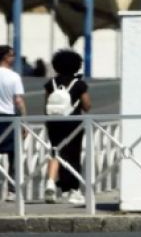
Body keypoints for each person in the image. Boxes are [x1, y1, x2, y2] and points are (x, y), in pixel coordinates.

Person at [43, 49, 91, 205]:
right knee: (73, 155)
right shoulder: (79, 84)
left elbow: (46, 105)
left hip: (54, 123)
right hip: (73, 124)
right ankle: (73, 190)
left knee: (56, 152)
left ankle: (52, 183)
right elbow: (87, 106)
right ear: (76, 65)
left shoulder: (51, 83)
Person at [0, 45, 25, 202]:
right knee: (13, 155)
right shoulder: (14, 77)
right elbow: (18, 101)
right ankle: (12, 190)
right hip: (9, 118)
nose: (14, 58)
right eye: (12, 55)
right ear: (5, 57)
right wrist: (24, 122)